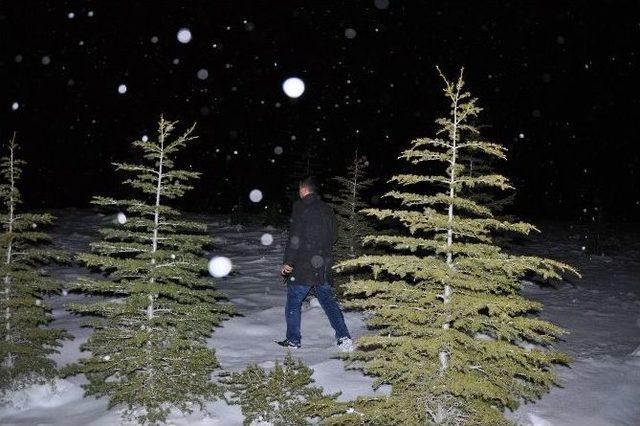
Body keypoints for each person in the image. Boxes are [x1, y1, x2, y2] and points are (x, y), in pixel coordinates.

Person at [276, 176, 353, 351]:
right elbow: (334, 237)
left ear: (304, 190)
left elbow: (294, 238)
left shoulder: (300, 206)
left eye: (299, 189)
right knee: (328, 302)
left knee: (294, 301)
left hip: (304, 267)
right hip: (323, 267)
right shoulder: (327, 209)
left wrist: (288, 262)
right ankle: (343, 337)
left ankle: (293, 340)